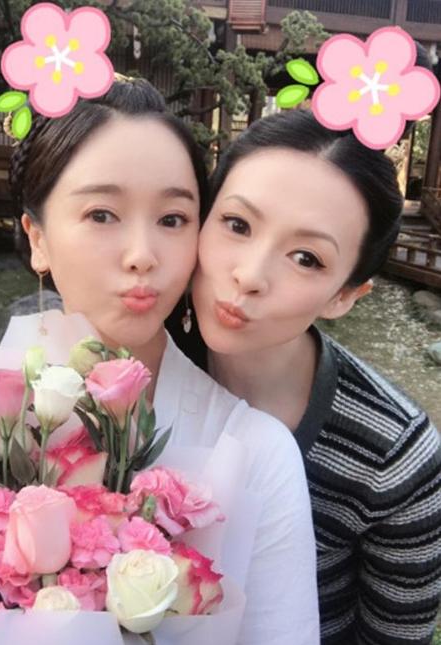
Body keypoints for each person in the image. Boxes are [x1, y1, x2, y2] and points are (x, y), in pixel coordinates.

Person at [10, 79, 320, 644]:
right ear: (38, 238)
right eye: (102, 214)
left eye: (172, 219)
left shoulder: (256, 453)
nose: (142, 256)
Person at [185, 108, 441, 644]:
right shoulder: (130, 371)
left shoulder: (393, 455)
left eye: (306, 258)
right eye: (237, 225)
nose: (250, 276)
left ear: (345, 295)